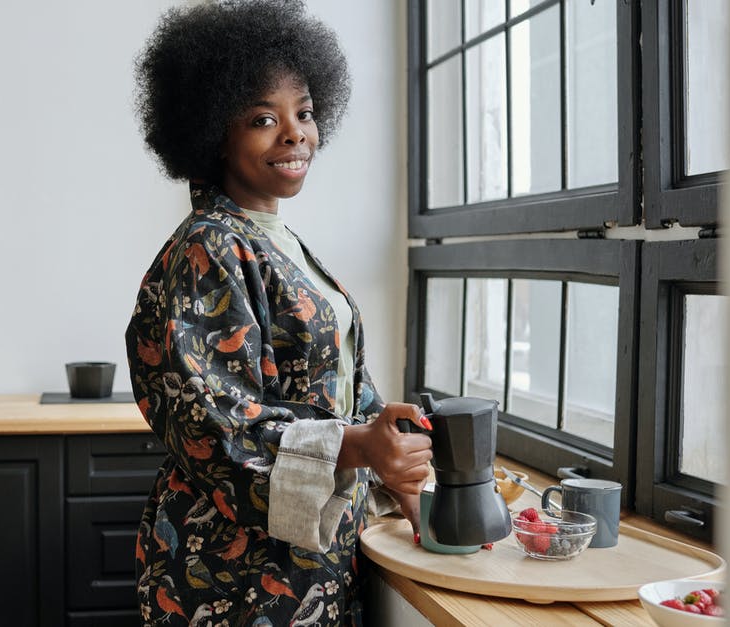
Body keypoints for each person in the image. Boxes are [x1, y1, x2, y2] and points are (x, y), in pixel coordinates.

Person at [125, 1, 433, 624]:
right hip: (229, 571)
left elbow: (337, 388)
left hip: (307, 560)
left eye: (305, 113)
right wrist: (358, 445)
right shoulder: (210, 248)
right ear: (214, 132)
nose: (295, 134)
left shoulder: (273, 240)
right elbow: (216, 425)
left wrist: (393, 453)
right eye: (264, 118)